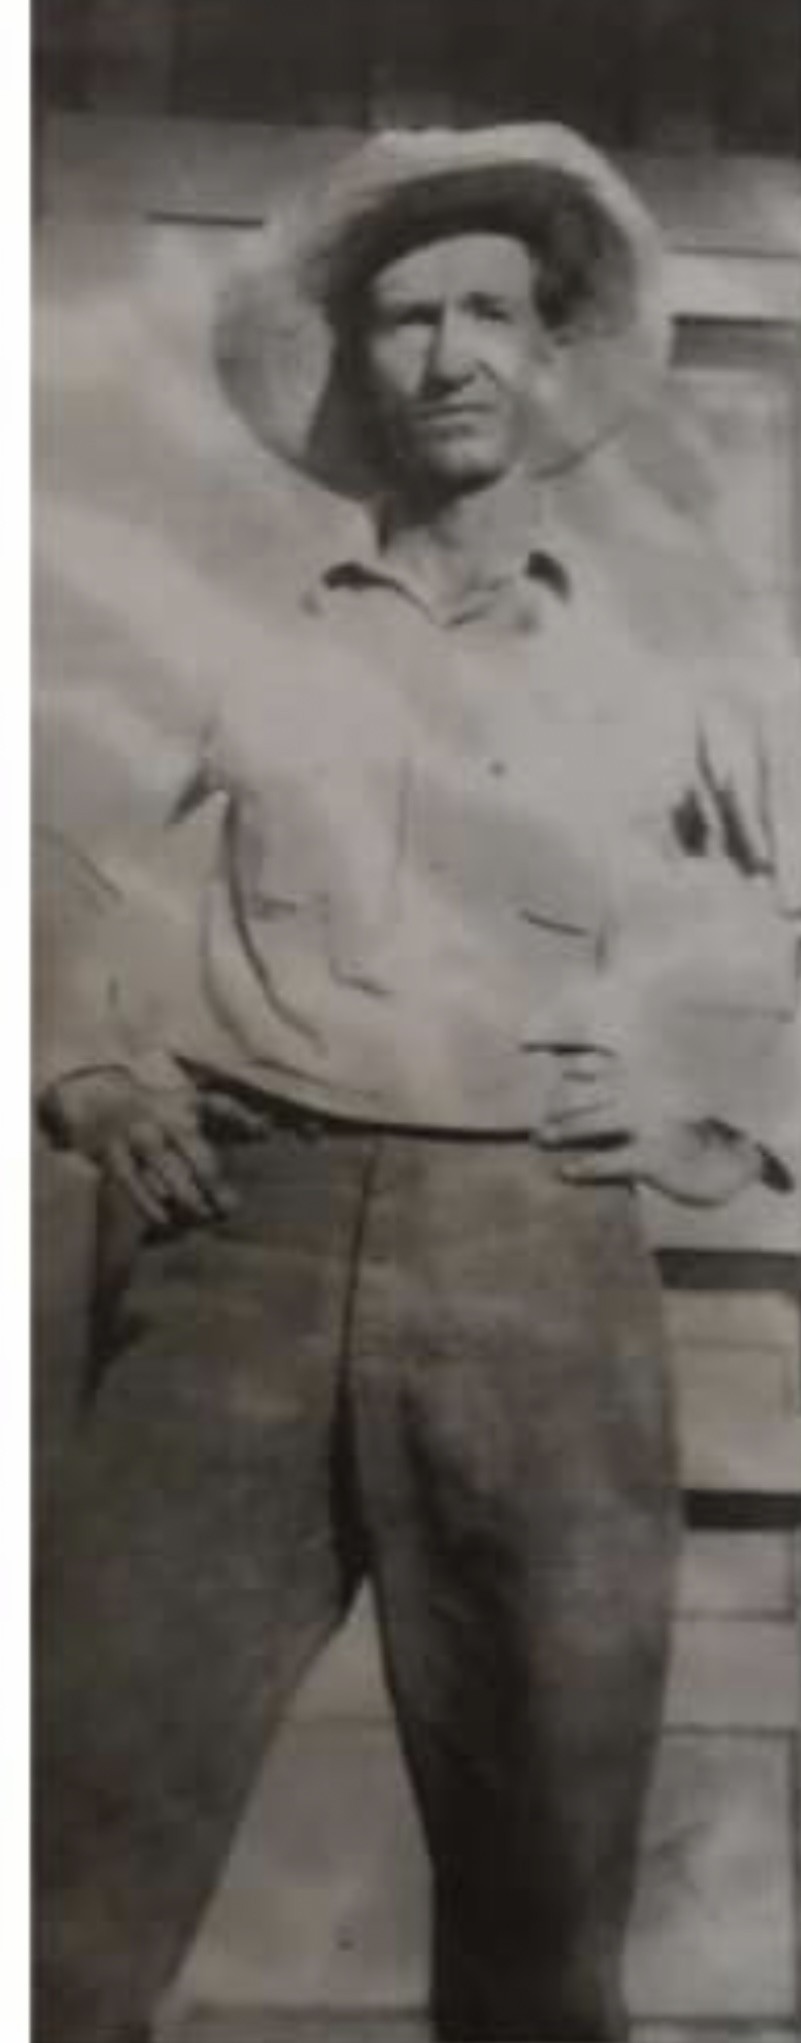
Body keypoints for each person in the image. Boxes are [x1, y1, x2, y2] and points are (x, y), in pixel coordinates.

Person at [36, 125, 798, 2043]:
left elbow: (768, 927)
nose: (448, 355)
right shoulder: (229, 630)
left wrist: (714, 1112)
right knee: (64, 1873)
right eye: (402, 320)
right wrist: (80, 1063)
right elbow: (43, 856)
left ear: (552, 352)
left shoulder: (671, 666)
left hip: (534, 1278)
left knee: (545, 1912)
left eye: (486, 314)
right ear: (354, 364)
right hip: (240, 1259)